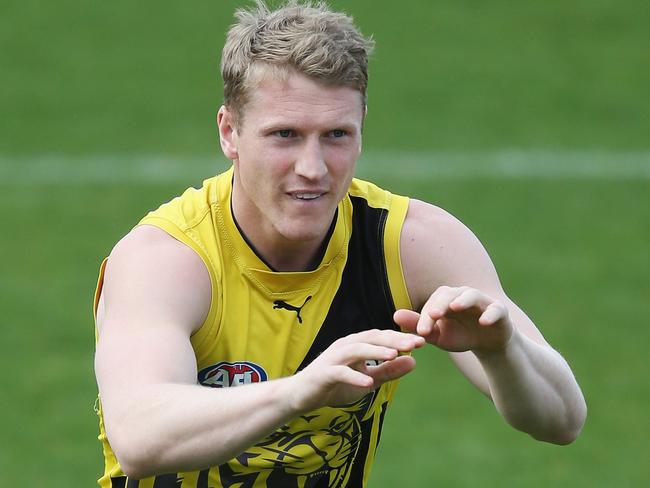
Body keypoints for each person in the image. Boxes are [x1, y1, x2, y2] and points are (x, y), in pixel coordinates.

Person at [93, 1, 587, 487]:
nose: (313, 167)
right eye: (284, 135)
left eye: (336, 135)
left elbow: (562, 420)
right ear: (230, 131)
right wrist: (301, 391)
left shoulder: (411, 242)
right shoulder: (167, 260)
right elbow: (141, 437)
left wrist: (503, 353)